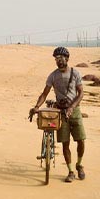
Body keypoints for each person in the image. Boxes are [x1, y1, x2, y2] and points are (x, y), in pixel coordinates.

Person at [30, 47, 86, 183]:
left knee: (81, 140)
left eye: (61, 58)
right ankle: (71, 171)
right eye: (56, 59)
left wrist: (72, 107)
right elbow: (45, 93)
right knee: (65, 143)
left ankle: (79, 164)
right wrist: (36, 106)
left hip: (75, 111)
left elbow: (81, 93)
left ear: (67, 59)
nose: (58, 61)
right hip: (60, 112)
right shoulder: (53, 75)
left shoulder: (75, 73)